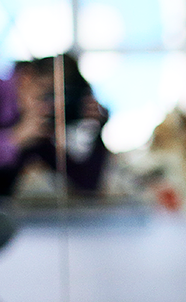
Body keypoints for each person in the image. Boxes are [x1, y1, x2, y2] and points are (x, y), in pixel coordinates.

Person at [0, 53, 110, 196]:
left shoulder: (37, 126)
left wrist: (98, 129)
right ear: (27, 77)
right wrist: (16, 138)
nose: (53, 106)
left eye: (63, 100)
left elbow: (86, 183)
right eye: (49, 94)